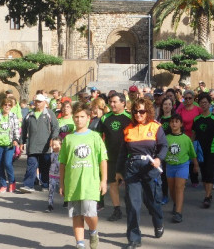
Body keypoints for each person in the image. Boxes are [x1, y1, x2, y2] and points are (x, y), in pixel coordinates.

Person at [116, 98, 168, 249]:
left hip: (150, 169)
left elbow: (164, 146)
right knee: (133, 205)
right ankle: (134, 239)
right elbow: (122, 152)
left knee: (153, 202)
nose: (138, 114)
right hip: (132, 170)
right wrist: (118, 172)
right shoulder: (128, 129)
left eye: (142, 111)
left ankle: (158, 222)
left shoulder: (156, 127)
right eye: (135, 111)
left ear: (148, 112)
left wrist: (159, 158)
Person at [59, 102, 108, 249]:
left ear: (88, 118)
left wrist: (104, 180)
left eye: (82, 117)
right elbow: (63, 163)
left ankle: (93, 231)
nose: (78, 120)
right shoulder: (68, 139)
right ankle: (80, 244)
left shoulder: (95, 137)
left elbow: (103, 160)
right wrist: (62, 183)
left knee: (89, 213)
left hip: (90, 183)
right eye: (76, 117)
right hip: (73, 183)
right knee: (77, 215)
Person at [96, 92, 131, 222]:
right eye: (110, 102)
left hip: (127, 157)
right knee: (113, 183)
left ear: (123, 103)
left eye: (115, 102)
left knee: (129, 184)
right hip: (110, 156)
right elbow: (99, 136)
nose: (112, 104)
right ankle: (117, 210)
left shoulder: (130, 117)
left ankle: (131, 207)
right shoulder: (105, 118)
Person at [19, 94, 59, 193]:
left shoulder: (49, 114)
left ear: (45, 103)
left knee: (45, 167)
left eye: (40, 101)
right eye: (36, 101)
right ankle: (28, 185)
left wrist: (53, 139)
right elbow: (24, 129)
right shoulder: (29, 114)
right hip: (32, 146)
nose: (37, 103)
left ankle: (45, 185)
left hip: (46, 147)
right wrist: (21, 141)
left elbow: (56, 127)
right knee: (31, 165)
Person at [165, 113, 199, 223]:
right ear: (170, 124)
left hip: (182, 166)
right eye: (172, 122)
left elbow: (192, 153)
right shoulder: (166, 138)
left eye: (176, 121)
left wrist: (196, 165)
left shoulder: (186, 139)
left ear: (181, 124)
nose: (174, 123)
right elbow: (161, 152)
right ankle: (176, 203)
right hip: (170, 166)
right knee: (171, 189)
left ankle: (178, 213)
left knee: (179, 187)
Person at [175, 90, 202, 187]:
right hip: (184, 137)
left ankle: (195, 178)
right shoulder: (181, 110)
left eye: (190, 98)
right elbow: (176, 120)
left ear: (193, 98)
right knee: (184, 159)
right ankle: (184, 178)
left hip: (195, 138)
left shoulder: (198, 109)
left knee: (194, 158)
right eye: (186, 98)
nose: (188, 100)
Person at [47, 137, 62, 212]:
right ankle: (50, 204)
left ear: (61, 145)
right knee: (51, 189)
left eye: (56, 145)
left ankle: (67, 201)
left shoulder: (63, 154)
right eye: (53, 145)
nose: (54, 147)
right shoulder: (51, 154)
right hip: (52, 174)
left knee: (63, 190)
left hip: (61, 175)